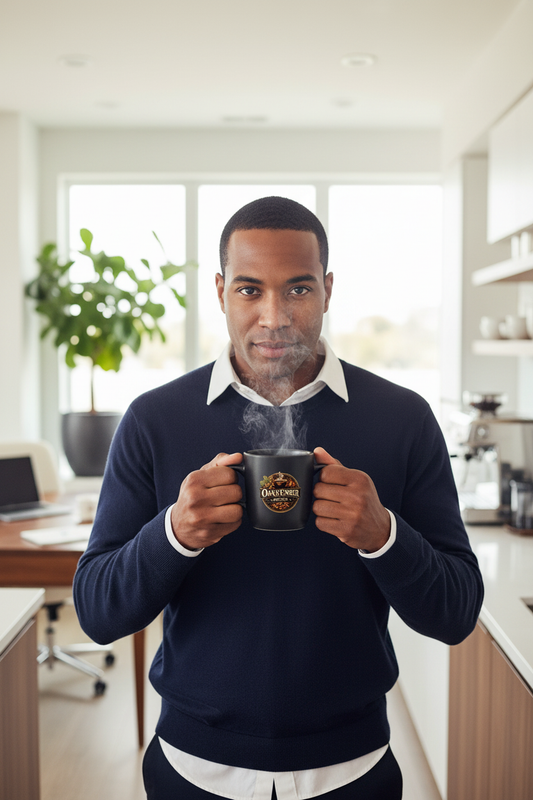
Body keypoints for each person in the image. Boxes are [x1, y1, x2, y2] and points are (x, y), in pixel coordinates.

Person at [73, 196, 483, 800]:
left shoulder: (402, 419)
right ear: (219, 291)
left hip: (353, 770)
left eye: (297, 289)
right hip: (191, 768)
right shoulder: (153, 420)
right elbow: (97, 612)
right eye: (248, 290)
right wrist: (173, 536)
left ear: (327, 290)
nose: (274, 317)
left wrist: (385, 537)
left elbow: (456, 612)